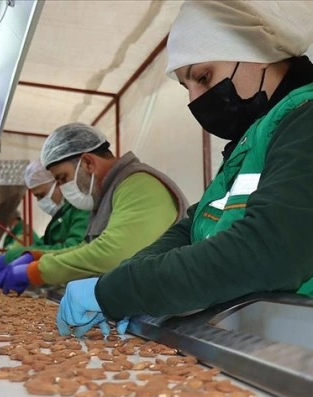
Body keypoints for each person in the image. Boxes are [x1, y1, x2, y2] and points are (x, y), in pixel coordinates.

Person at [57, 0, 313, 338]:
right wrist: (120, 279)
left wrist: (117, 291)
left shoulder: (304, 121)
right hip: (255, 338)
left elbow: (268, 249)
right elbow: (189, 230)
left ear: (258, 49)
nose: (195, 100)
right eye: (186, 87)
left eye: (203, 77)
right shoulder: (248, 143)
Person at [0, 123, 188, 295]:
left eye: (62, 178)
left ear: (87, 163)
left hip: (167, 308)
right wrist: (36, 257)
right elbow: (89, 247)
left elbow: (112, 254)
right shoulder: (108, 194)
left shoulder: (139, 184)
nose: (63, 188)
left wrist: (36, 271)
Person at [0, 160, 89, 283]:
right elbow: (44, 244)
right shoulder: (61, 214)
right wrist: (16, 255)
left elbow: (74, 249)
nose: (41, 202)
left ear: (59, 182)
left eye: (42, 195)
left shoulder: (82, 208)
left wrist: (27, 258)